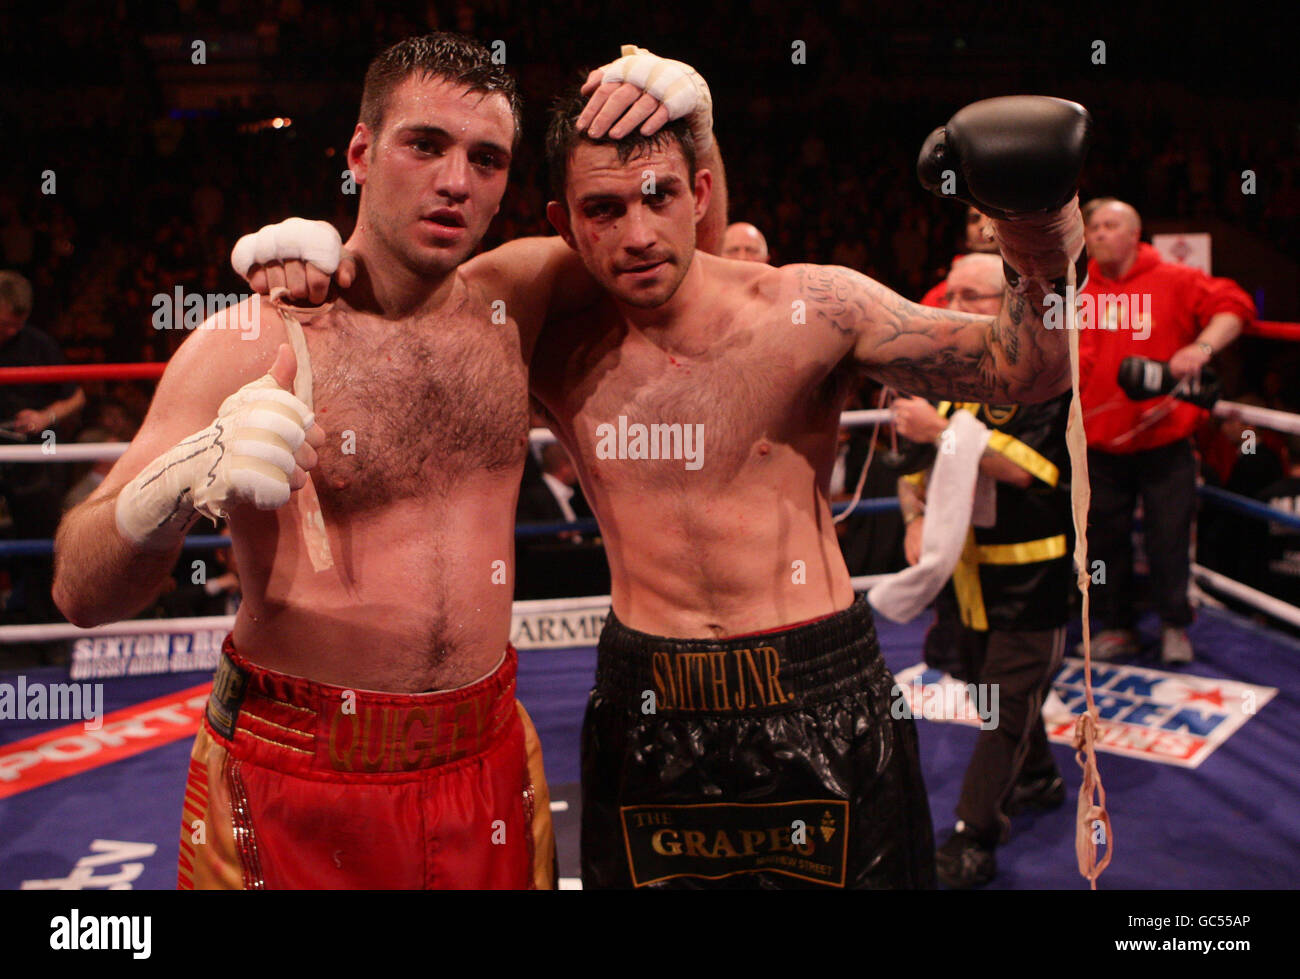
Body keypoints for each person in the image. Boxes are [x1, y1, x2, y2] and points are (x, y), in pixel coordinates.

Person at [242, 71, 1089, 888]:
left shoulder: (813, 308)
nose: (639, 233)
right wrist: (315, 260)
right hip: (647, 709)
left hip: (823, 688)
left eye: (660, 197)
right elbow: (399, 305)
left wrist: (1040, 228)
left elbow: (1027, 370)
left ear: (703, 191)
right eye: (604, 210)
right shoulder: (539, 333)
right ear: (563, 223)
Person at [51, 34, 696, 891]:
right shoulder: (253, 337)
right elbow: (78, 591)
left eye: (487, 158)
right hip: (292, 774)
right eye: (424, 145)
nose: (457, 181)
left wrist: (697, 124)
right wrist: (175, 486)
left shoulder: (524, 297)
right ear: (359, 152)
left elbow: (688, 273)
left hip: (487, 754)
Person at [891, 253, 1071, 888]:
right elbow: (913, 469)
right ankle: (1041, 776)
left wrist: (938, 429)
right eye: (952, 295)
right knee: (984, 683)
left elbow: (1028, 469)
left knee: (1003, 709)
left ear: (1007, 304)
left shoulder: (1045, 372)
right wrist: (914, 517)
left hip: (1032, 581)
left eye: (973, 297)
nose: (957, 307)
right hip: (963, 575)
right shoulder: (942, 372)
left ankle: (975, 834)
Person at [1078, 197, 1255, 663]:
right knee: (1103, 542)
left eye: (1110, 225)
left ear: (1134, 234)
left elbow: (1236, 306)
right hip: (1098, 445)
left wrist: (1200, 347)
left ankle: (1175, 623)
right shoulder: (1076, 290)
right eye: (1092, 226)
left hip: (1165, 440)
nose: (1098, 233)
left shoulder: (1174, 279)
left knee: (1169, 537)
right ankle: (1116, 626)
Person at [1, 270, 85, 630]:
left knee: (41, 544)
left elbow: (77, 396)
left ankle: (45, 632)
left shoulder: (38, 344)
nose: (10, 333)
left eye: (16, 325)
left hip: (33, 456)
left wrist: (45, 416)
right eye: (3, 324)